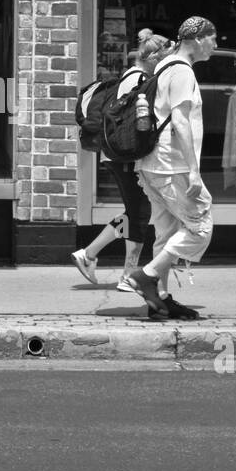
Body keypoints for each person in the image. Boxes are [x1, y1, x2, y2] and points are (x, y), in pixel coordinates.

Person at [123, 16, 218, 321]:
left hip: (152, 164)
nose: (215, 44)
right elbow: (180, 121)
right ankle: (145, 276)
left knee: (166, 232)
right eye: (212, 38)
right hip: (171, 165)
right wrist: (193, 170)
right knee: (200, 226)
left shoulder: (165, 67)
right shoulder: (181, 72)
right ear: (198, 39)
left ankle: (160, 300)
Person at [71, 30, 171, 291]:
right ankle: (128, 276)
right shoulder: (139, 79)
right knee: (139, 213)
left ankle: (89, 254)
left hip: (117, 154)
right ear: (152, 58)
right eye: (162, 59)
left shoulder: (132, 76)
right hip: (124, 154)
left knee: (133, 211)